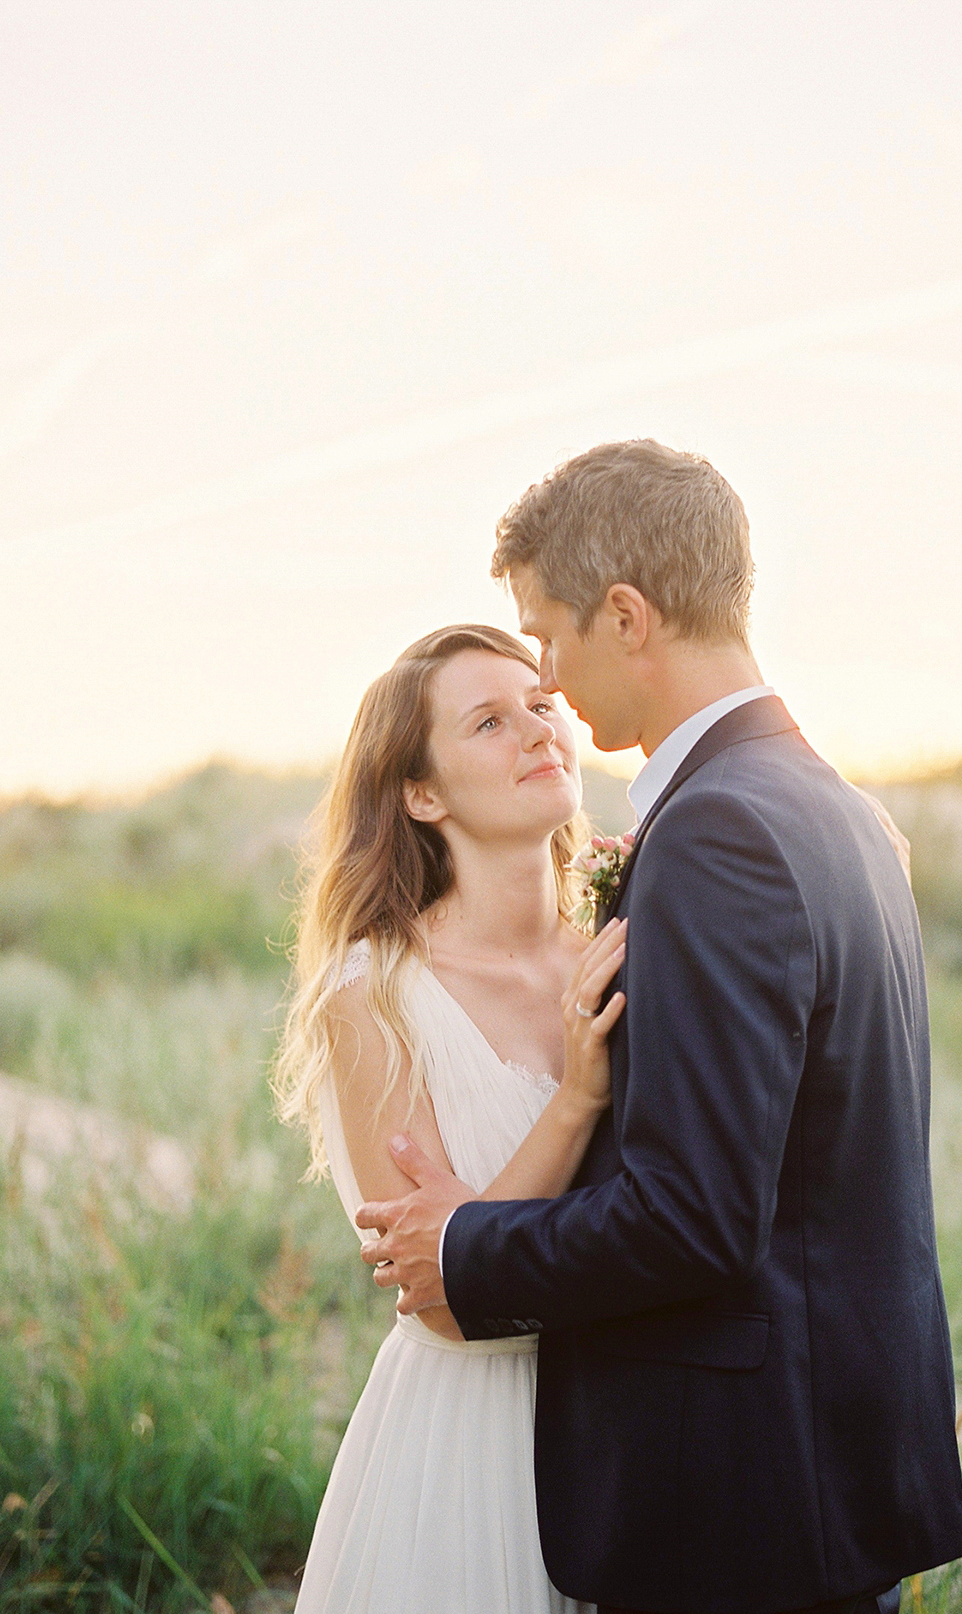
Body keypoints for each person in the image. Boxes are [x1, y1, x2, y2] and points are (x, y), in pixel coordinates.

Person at [356, 440, 962, 1614]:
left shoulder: (719, 832)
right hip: (824, 1465)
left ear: (626, 615)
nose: (547, 673)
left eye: (548, 629)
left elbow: (697, 1217)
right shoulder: (828, 804)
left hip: (738, 1501)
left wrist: (461, 1252)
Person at [273, 622, 630, 1614]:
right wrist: (576, 1099)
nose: (537, 732)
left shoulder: (619, 942)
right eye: (488, 721)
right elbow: (442, 1297)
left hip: (631, 1425)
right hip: (474, 1446)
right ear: (421, 795)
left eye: (542, 707)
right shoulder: (375, 997)